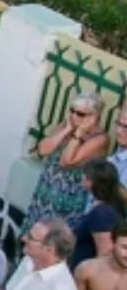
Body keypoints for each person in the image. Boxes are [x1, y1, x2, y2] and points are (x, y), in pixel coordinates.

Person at [34, 92, 114, 228]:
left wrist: (78, 135)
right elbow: (42, 150)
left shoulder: (100, 139)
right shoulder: (67, 125)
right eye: (72, 111)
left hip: (69, 198)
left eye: (80, 114)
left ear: (94, 117)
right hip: (47, 191)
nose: (73, 116)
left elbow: (66, 162)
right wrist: (67, 130)